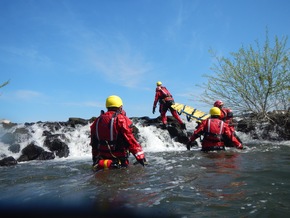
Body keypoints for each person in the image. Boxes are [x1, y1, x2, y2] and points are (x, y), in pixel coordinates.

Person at [90, 95, 147, 171]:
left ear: (107, 106)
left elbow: (94, 142)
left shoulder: (97, 121)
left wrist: (95, 159)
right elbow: (130, 140)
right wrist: (141, 157)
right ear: (120, 107)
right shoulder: (121, 119)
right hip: (119, 160)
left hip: (102, 161)